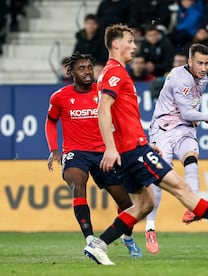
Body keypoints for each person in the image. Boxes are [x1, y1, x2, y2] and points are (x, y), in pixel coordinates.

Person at [84, 24, 208, 265]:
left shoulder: (109, 72)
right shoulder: (116, 73)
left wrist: (144, 144)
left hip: (134, 149)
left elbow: (120, 117)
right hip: (132, 151)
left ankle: (100, 244)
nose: (135, 46)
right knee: (182, 188)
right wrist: (111, 148)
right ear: (116, 44)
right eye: (130, 41)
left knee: (144, 204)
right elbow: (103, 110)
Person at [45, 52, 143, 258]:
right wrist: (54, 149)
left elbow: (120, 120)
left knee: (126, 203)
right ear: (71, 72)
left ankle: (128, 238)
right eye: (82, 68)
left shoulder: (104, 93)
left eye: (90, 67)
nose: (88, 72)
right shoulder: (59, 96)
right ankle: (90, 240)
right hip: (75, 152)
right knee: (77, 185)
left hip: (103, 153)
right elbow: (51, 121)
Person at [144, 43, 208, 254]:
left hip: (184, 130)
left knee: (192, 160)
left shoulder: (202, 79)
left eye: (207, 63)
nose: (204, 68)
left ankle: (192, 208)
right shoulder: (180, 77)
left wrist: (194, 117)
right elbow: (187, 112)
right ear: (189, 61)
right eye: (199, 63)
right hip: (163, 130)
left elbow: (189, 111)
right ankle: (150, 228)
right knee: (160, 179)